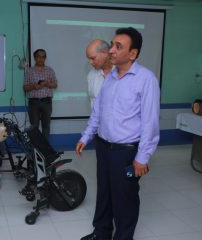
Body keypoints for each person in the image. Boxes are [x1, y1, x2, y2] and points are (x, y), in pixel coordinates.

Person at [76, 27, 160, 240]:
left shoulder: (145, 79)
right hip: (103, 147)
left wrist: (142, 157)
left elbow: (150, 122)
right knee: (104, 193)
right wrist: (86, 137)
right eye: (112, 45)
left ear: (133, 54)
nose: (111, 50)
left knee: (125, 199)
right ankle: (101, 233)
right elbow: (98, 112)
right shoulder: (110, 77)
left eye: (118, 46)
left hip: (126, 152)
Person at [23, 49, 57, 140]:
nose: (41, 59)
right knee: (34, 127)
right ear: (35, 58)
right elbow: (25, 87)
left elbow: (55, 85)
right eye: (39, 57)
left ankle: (45, 151)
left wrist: (47, 84)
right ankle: (35, 151)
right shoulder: (29, 71)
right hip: (34, 102)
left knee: (46, 126)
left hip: (47, 102)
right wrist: (34, 86)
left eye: (43, 57)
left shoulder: (50, 70)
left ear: (45, 58)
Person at [86, 39, 113, 109]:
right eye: (89, 59)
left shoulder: (122, 72)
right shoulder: (91, 74)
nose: (90, 62)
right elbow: (92, 101)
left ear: (105, 53)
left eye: (93, 58)